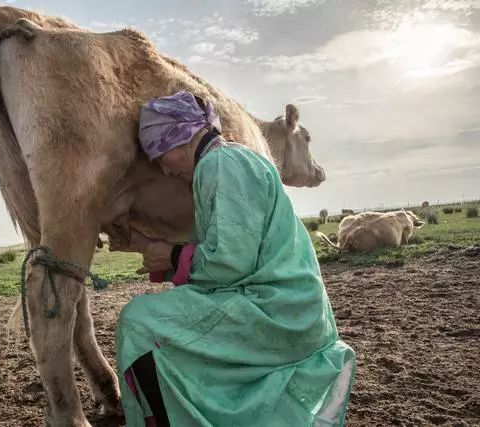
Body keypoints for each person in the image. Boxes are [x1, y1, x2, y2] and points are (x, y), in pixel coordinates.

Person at [115, 90, 355, 427]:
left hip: (275, 311)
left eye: (160, 156)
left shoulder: (219, 165)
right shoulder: (236, 160)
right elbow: (231, 253)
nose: (165, 171)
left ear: (177, 138)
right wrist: (160, 254)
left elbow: (230, 263)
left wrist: (170, 256)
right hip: (291, 307)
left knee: (138, 321)